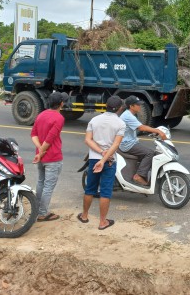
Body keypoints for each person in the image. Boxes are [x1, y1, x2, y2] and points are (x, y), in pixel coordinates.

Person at [78, 95, 126, 230]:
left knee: (90, 189)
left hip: (93, 158)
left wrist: (100, 152)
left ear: (106, 106)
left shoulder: (94, 120)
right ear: (120, 108)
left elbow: (87, 140)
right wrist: (105, 156)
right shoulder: (120, 123)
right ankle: (102, 222)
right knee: (105, 191)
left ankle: (84, 216)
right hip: (109, 161)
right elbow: (116, 144)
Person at [31, 91, 68, 222]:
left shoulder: (41, 114)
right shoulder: (59, 118)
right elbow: (50, 139)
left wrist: (39, 152)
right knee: (48, 186)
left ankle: (36, 209)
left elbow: (33, 134)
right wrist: (42, 151)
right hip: (52, 157)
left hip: (41, 157)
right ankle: (42, 213)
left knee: (41, 182)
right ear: (61, 104)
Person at [119, 95, 167, 186]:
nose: (140, 106)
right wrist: (157, 130)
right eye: (137, 105)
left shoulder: (130, 114)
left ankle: (142, 176)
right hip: (127, 144)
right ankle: (139, 176)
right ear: (131, 106)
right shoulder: (128, 116)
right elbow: (141, 127)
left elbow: (141, 126)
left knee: (152, 154)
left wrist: (153, 131)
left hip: (130, 142)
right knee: (150, 153)